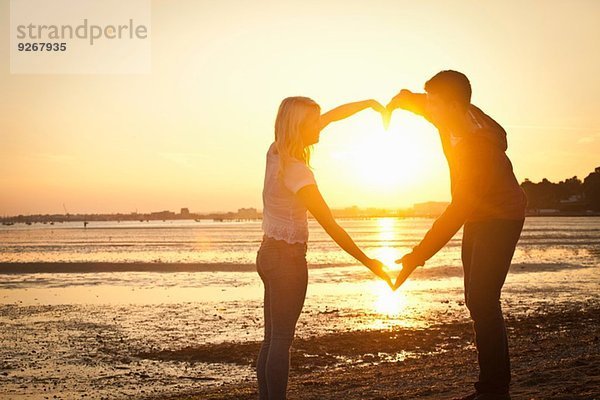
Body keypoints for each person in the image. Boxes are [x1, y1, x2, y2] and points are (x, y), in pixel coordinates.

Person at [388, 71, 527, 400]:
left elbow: (457, 210)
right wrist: (398, 101)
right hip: (478, 213)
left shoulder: (478, 147)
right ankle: (490, 387)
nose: (429, 108)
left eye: (434, 102)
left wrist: (417, 255)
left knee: (483, 299)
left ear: (451, 105)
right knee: (475, 299)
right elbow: (417, 100)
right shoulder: (448, 114)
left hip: (503, 215)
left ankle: (494, 391)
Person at [257, 96, 392, 400]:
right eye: (313, 121)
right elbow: (331, 225)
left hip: (267, 254)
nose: (321, 124)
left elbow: (332, 116)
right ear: (300, 127)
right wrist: (370, 262)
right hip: (287, 261)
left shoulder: (275, 152)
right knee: (280, 341)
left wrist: (368, 104)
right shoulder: (298, 173)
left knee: (270, 340)